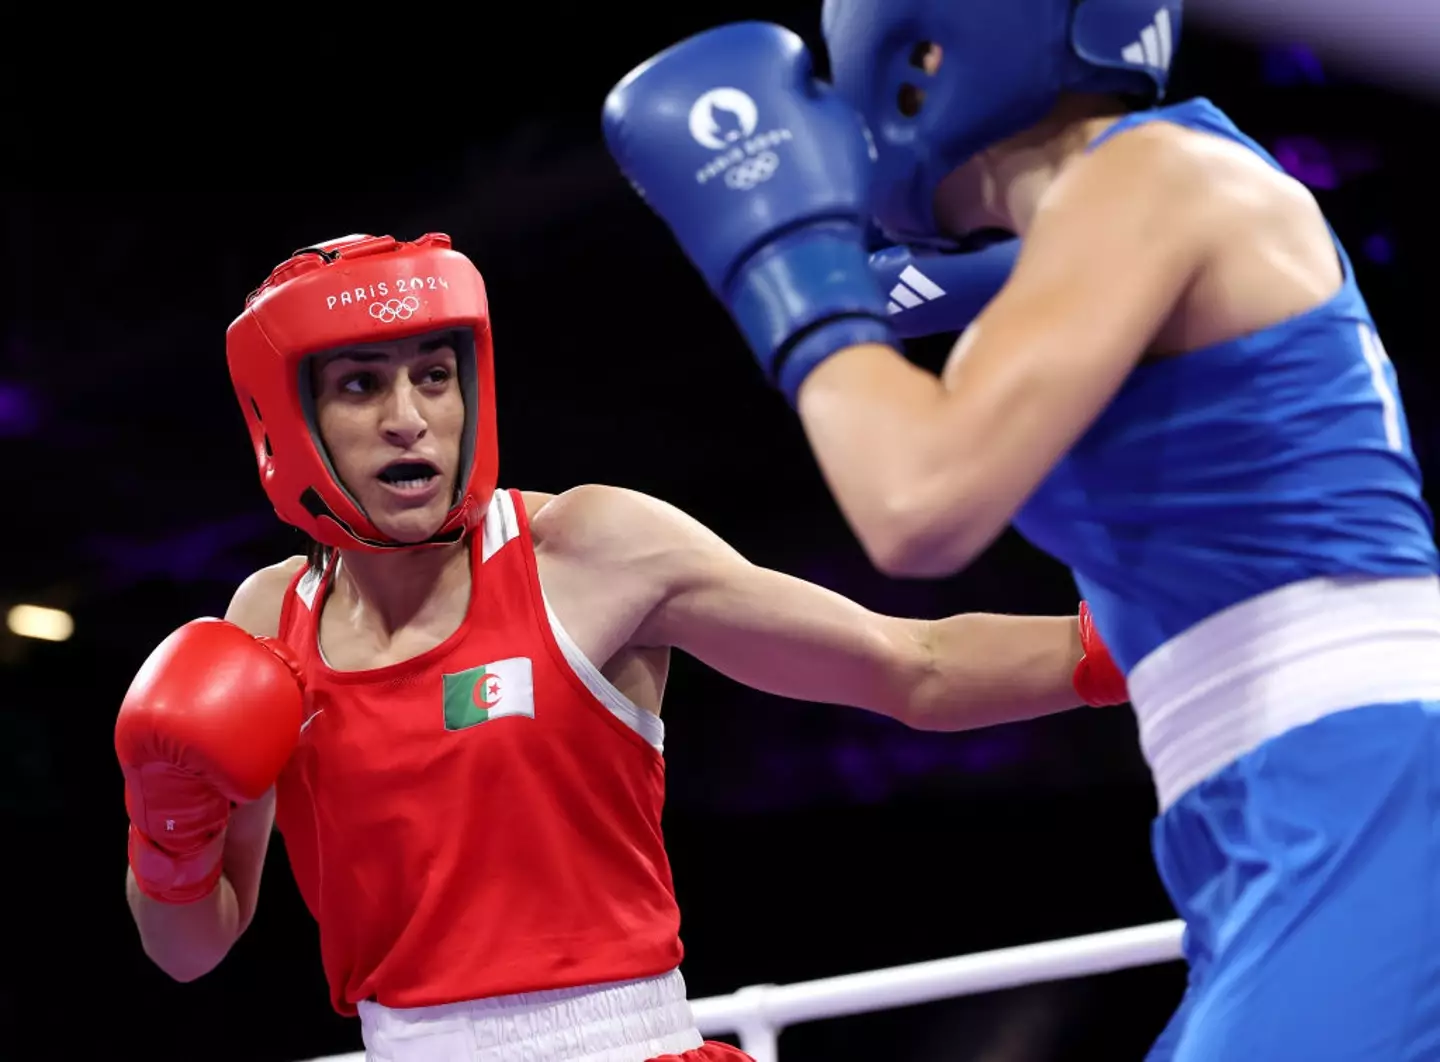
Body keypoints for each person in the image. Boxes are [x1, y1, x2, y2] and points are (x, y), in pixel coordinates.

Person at [602, 4, 1440, 1060]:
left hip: (1365, 776)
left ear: (924, 52)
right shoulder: (1144, 202)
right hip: (1262, 807)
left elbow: (915, 503)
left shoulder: (1150, 175)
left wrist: (785, 255)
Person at [114, 233, 1127, 1062]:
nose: (410, 420)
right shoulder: (267, 620)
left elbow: (914, 667)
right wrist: (169, 831)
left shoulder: (589, 550)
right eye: (360, 386)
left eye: (435, 376)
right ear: (289, 418)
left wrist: (1147, 642)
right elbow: (188, 952)